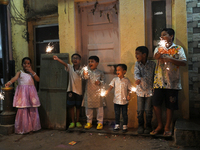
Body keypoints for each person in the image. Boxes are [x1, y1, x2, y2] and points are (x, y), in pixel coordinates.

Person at [150, 28, 187, 136]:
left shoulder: (178, 48)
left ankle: (167, 127)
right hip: (159, 82)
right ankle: (160, 125)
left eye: (164, 35)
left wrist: (170, 59)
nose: (161, 37)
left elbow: (184, 62)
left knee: (170, 105)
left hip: (172, 82)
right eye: (161, 36)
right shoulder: (158, 48)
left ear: (171, 36)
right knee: (156, 103)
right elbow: (155, 57)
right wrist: (161, 51)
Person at [5, 57, 41, 134]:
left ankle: (32, 128)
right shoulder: (20, 72)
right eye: (25, 63)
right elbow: (15, 78)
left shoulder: (32, 73)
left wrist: (31, 71)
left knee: (32, 109)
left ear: (30, 64)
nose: (26, 65)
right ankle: (24, 128)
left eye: (28, 63)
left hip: (31, 94)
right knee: (23, 110)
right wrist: (9, 82)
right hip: (23, 94)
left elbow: (38, 79)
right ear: (22, 64)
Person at [53, 53, 83, 129]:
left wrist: (85, 73)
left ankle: (77, 121)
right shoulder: (70, 67)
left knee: (78, 107)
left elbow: (85, 77)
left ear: (80, 60)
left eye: (77, 58)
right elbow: (65, 64)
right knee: (71, 107)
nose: (75, 59)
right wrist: (57, 59)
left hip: (79, 91)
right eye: (73, 58)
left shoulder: (82, 69)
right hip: (71, 90)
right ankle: (72, 122)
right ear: (71, 60)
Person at [134, 46, 156, 134]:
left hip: (150, 91)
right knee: (140, 110)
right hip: (140, 91)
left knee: (148, 110)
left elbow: (155, 75)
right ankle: (140, 125)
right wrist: (138, 79)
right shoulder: (137, 64)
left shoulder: (152, 64)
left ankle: (148, 126)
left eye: (137, 54)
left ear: (144, 55)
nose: (136, 56)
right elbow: (136, 73)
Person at [106, 64, 132, 133]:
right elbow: (111, 87)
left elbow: (130, 89)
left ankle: (124, 125)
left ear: (124, 71)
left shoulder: (126, 80)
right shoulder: (115, 79)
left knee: (124, 114)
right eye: (116, 70)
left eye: (119, 70)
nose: (117, 71)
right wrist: (106, 91)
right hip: (116, 100)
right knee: (117, 113)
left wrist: (129, 95)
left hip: (124, 101)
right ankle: (117, 125)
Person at [82, 56, 105, 130]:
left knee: (100, 109)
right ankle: (89, 122)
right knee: (88, 108)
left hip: (98, 94)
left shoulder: (100, 72)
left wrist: (100, 82)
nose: (90, 63)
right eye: (89, 61)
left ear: (97, 63)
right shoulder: (87, 72)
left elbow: (104, 82)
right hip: (89, 93)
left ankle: (100, 122)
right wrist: (85, 73)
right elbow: (85, 78)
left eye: (92, 61)